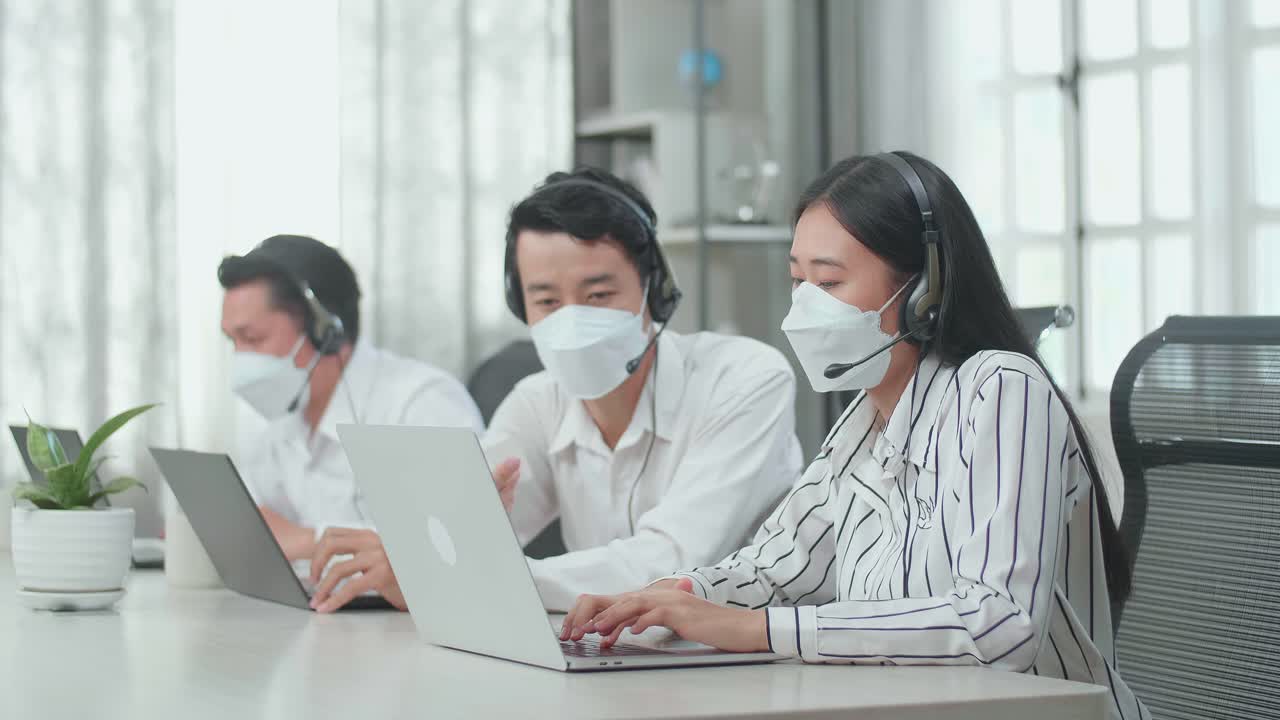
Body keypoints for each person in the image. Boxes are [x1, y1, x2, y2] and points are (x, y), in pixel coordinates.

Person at [562, 153, 1148, 720]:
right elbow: (778, 568)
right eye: (798, 280)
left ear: (925, 291)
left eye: (830, 282)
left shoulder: (1001, 390)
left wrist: (757, 630)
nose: (803, 309)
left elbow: (997, 624)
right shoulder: (864, 422)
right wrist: (674, 594)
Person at [306, 168, 804, 612]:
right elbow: (456, 539)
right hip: (621, 661)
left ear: (654, 290)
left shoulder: (744, 379)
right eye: (546, 300)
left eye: (599, 296)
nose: (572, 320)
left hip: (750, 662)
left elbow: (672, 563)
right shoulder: (536, 401)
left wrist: (459, 575)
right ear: (521, 307)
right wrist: (418, 550)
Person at [219, 234, 483, 561]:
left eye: (252, 338)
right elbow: (258, 529)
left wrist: (309, 541)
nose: (241, 359)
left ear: (326, 330)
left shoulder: (422, 403)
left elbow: (457, 546)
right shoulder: (278, 417)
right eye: (233, 341)